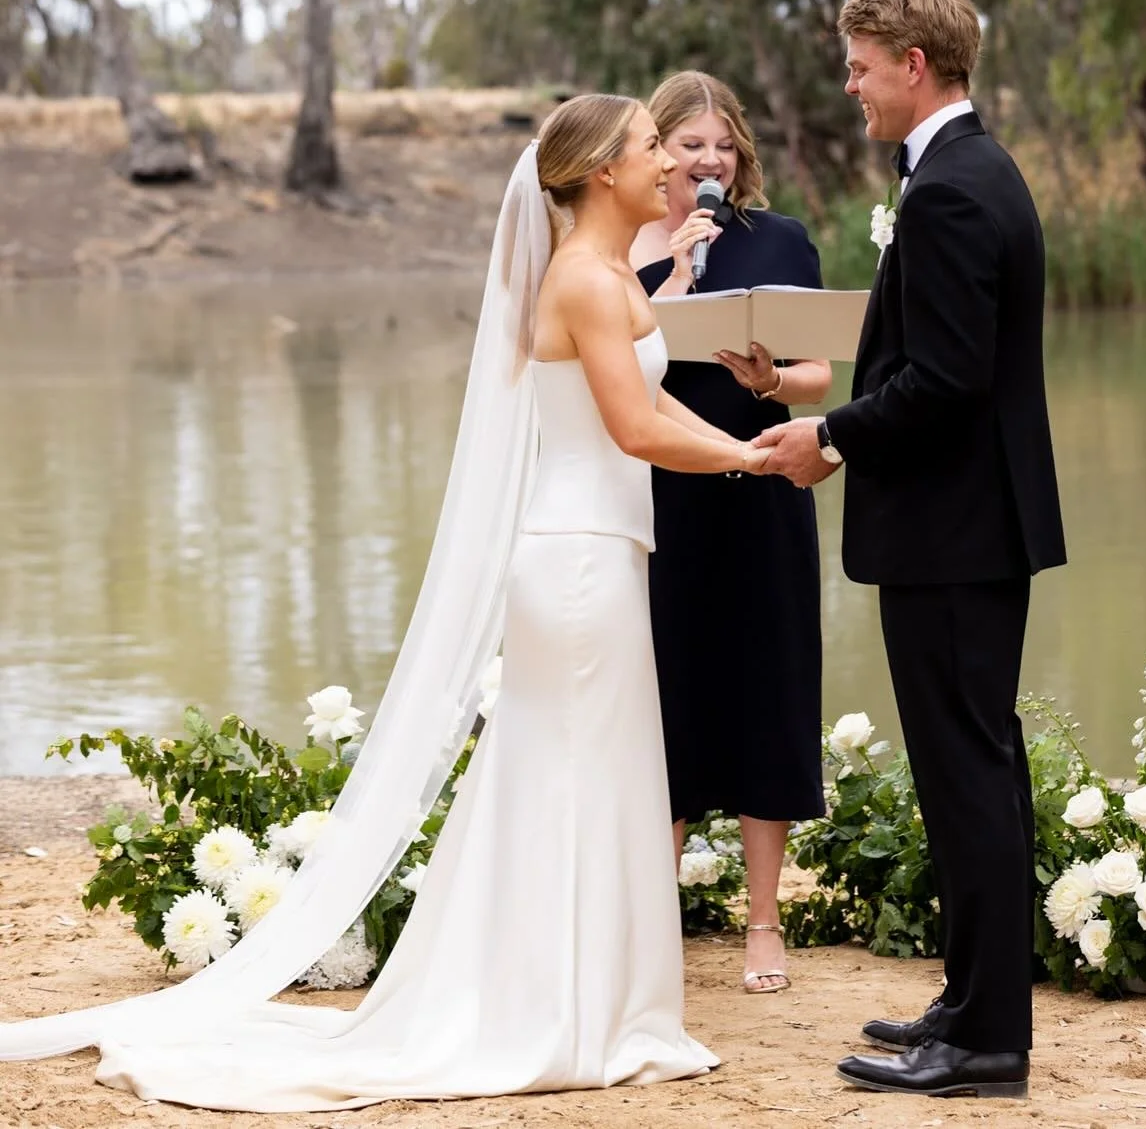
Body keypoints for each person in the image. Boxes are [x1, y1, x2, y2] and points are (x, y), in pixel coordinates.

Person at [0, 95, 773, 1110]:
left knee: (595, 773)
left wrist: (745, 444)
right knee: (569, 777)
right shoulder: (584, 279)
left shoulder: (613, 273)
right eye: (646, 149)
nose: (668, 163)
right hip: (575, 561)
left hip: (606, 552)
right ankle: (560, 1009)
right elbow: (632, 430)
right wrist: (753, 465)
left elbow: (651, 396)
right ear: (599, 174)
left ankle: (600, 999)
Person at [755, 0, 1065, 1102]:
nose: (852, 88)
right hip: (971, 527)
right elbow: (935, 361)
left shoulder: (946, 191)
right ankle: (973, 1001)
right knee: (971, 768)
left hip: (953, 533)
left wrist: (827, 438)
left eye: (861, 68)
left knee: (967, 773)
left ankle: (986, 1042)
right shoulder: (974, 173)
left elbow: (941, 381)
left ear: (914, 65)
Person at [630, 70, 831, 995]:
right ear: (654, 151)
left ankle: (763, 921)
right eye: (689, 145)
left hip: (764, 487)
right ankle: (651, 915)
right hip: (665, 496)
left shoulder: (781, 239)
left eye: (722, 144)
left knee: (769, 688)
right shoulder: (619, 256)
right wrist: (672, 277)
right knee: (664, 696)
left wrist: (769, 382)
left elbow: (822, 374)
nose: (708, 160)